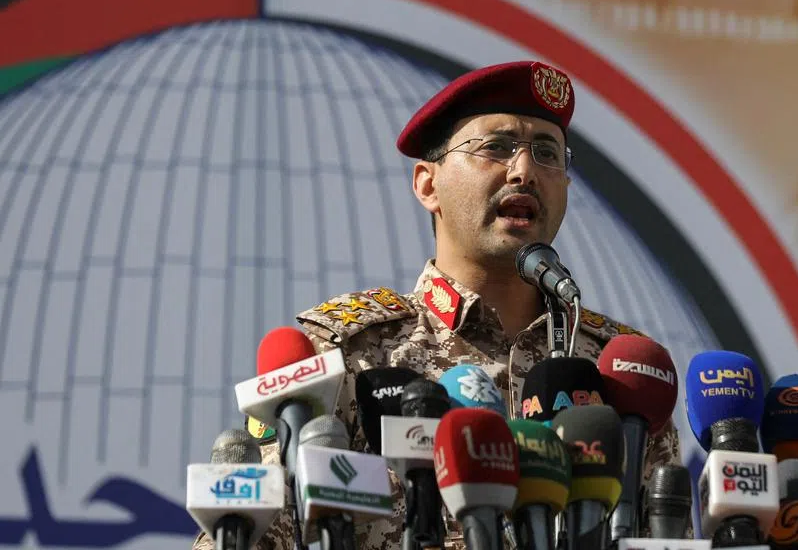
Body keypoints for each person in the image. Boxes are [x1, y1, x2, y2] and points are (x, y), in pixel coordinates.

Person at [193, 61, 683, 550]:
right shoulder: (349, 354)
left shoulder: (622, 374)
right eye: (497, 146)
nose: (525, 170)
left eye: (547, 153)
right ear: (428, 184)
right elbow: (245, 538)